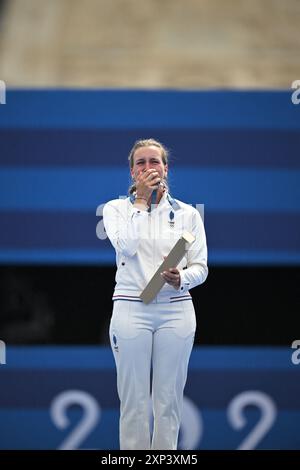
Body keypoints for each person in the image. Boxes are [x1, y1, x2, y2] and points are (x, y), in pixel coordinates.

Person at [103, 138, 208, 450]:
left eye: (154, 162)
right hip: (131, 308)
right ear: (132, 172)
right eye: (141, 163)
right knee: (134, 403)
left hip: (176, 310)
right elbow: (126, 246)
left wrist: (182, 278)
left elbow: (201, 267)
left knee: (168, 402)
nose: (148, 168)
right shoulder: (115, 209)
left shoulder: (189, 214)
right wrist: (140, 202)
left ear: (166, 168)